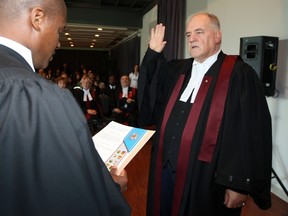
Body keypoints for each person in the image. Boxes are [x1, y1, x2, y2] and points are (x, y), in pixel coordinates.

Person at [0, 1, 130, 215]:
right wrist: (114, 188)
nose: (59, 43)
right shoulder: (38, 96)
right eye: (60, 30)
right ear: (37, 19)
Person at [138, 12, 272, 216]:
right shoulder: (177, 70)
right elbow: (150, 93)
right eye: (189, 34)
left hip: (205, 178)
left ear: (217, 36)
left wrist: (237, 184)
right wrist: (153, 54)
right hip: (164, 168)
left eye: (199, 32)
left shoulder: (238, 74)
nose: (191, 38)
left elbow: (250, 132)